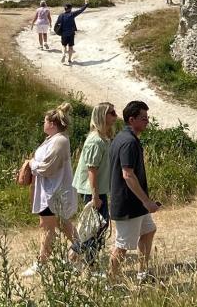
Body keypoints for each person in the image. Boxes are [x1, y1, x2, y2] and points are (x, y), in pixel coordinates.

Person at [19, 103, 79, 277]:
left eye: (44, 121)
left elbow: (48, 168)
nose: (43, 124)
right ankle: (83, 249)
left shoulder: (60, 140)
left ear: (52, 123)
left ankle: (42, 262)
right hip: (49, 190)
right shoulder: (53, 139)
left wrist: (31, 164)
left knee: (46, 226)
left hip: (54, 191)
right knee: (61, 223)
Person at [109, 100, 160, 283]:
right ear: (132, 119)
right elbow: (128, 175)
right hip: (128, 203)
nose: (147, 121)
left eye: (147, 117)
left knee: (149, 231)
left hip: (134, 203)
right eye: (143, 118)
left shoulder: (123, 138)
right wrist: (146, 201)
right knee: (122, 246)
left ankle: (142, 273)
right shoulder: (129, 142)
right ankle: (110, 284)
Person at [73, 102, 117, 266]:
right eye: (111, 113)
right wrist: (95, 196)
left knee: (98, 227)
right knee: (94, 227)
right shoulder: (95, 141)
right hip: (91, 190)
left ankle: (82, 260)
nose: (115, 116)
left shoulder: (104, 139)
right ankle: (81, 260)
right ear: (101, 116)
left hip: (99, 190)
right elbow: (92, 170)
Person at [55, 0, 89, 66]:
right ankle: (69, 59)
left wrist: (58, 32)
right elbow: (80, 10)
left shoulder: (61, 15)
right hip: (71, 33)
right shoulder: (72, 14)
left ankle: (64, 54)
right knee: (70, 47)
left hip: (64, 33)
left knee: (63, 46)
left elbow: (57, 24)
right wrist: (86, 4)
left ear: (65, 8)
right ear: (70, 8)